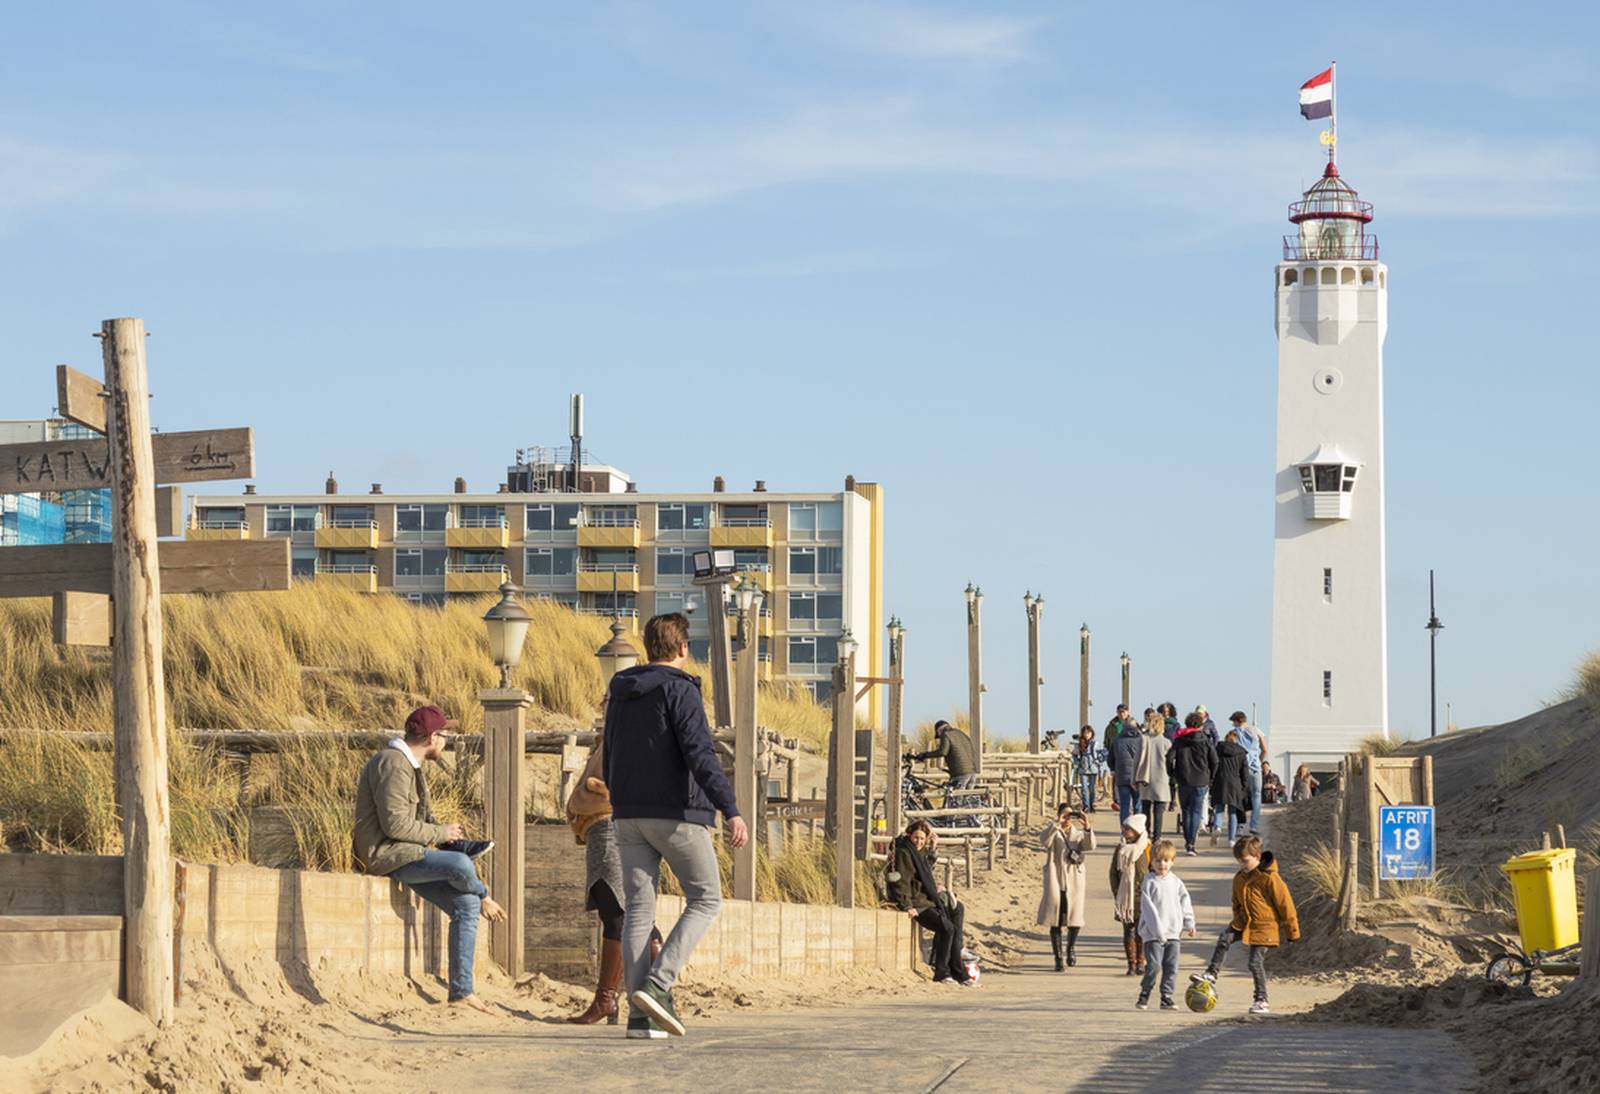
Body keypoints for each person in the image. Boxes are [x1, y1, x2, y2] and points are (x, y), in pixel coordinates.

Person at [604, 613, 750, 1040]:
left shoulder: (621, 689)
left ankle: (639, 1017)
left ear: (650, 647)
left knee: (639, 912)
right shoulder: (680, 689)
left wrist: (621, 798)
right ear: (683, 648)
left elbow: (609, 749)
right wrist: (730, 809)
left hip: (628, 816)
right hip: (677, 814)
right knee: (706, 899)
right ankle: (658, 983)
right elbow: (699, 754)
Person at [353, 704, 506, 1013]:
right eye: (445, 735)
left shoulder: (410, 765)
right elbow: (394, 825)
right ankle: (485, 895)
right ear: (433, 737)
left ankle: (461, 991)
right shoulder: (393, 764)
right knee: (463, 867)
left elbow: (418, 820)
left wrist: (449, 837)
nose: (446, 742)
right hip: (387, 855)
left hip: (405, 853)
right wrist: (441, 833)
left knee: (466, 905)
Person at [562, 720, 664, 1025]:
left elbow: (633, 785)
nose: (605, 703)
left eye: (610, 699)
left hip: (610, 828)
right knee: (627, 913)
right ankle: (652, 996)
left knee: (617, 913)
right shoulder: (613, 737)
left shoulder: (626, 734)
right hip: (607, 830)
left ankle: (609, 1000)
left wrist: (591, 792)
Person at [1192, 835, 1300, 1015]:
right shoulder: (1239, 878)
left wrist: (1292, 932)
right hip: (1244, 923)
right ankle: (1211, 973)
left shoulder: (1270, 878)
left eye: (1245, 861)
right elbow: (1236, 902)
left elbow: (1285, 905)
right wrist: (1237, 920)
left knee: (1254, 963)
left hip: (1265, 927)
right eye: (1239, 862)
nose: (1242, 865)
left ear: (1257, 857)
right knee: (1224, 938)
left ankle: (1261, 1000)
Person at [889, 820, 975, 987]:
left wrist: (933, 848)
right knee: (947, 928)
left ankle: (958, 952)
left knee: (958, 909)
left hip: (926, 897)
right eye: (916, 837)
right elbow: (902, 882)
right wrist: (907, 906)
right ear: (910, 834)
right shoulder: (904, 853)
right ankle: (943, 972)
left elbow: (925, 870)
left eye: (923, 838)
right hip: (917, 902)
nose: (919, 841)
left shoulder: (918, 852)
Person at [1136, 840, 1196, 1010]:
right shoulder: (1149, 882)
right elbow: (1148, 910)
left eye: (1166, 860)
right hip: (1153, 934)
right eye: (1158, 860)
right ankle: (1145, 993)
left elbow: (1185, 903)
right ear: (1151, 862)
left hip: (1173, 933)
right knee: (1154, 965)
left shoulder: (1176, 882)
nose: (1162, 864)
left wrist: (1189, 922)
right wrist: (1158, 933)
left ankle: (1166, 997)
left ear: (1172, 861)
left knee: (1171, 967)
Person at [1037, 802, 1096, 971]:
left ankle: (1070, 948)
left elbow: (1090, 845)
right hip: (1056, 879)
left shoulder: (1077, 834)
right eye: (1065, 814)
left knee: (1074, 919)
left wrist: (1087, 825)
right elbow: (1044, 841)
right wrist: (1057, 823)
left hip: (1074, 879)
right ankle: (1058, 958)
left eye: (1071, 815)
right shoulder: (1054, 832)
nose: (1068, 818)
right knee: (1055, 920)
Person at [1108, 813, 1152, 976]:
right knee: (1129, 931)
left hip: (1143, 897)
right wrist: (1117, 891)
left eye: (1129, 829)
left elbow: (1154, 871)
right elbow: (1113, 873)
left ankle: (1141, 962)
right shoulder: (1120, 849)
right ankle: (1131, 963)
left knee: (1142, 932)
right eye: (1124, 828)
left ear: (1137, 831)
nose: (1125, 831)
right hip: (1125, 898)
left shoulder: (1147, 848)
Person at [1170, 712, 1218, 856]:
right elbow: (1215, 761)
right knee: (1196, 811)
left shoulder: (1179, 740)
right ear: (1201, 725)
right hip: (1201, 780)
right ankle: (1191, 843)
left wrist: (1172, 773)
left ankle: (1188, 842)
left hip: (1183, 779)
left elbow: (1168, 758)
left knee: (1186, 811)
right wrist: (1211, 777)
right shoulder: (1206, 740)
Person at [1229, 711, 1270, 834]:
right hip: (1255, 767)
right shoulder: (1256, 730)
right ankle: (1253, 825)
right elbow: (1265, 749)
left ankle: (1240, 826)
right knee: (1256, 796)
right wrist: (1259, 761)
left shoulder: (1235, 733)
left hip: (1240, 768)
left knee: (1240, 797)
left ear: (1237, 721)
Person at [1135, 709, 1172, 841]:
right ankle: (1157, 836)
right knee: (1158, 810)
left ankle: (1146, 833)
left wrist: (1135, 778)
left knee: (1145, 808)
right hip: (1161, 778)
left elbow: (1137, 760)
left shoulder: (1143, 740)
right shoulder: (1166, 743)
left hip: (1146, 777)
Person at [913, 719, 979, 790]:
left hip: (960, 773)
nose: (939, 737)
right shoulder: (960, 733)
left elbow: (942, 752)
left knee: (957, 798)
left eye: (938, 735)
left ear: (939, 730)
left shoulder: (946, 735)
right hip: (972, 772)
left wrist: (925, 755)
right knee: (968, 797)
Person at [1211, 729, 1251, 842]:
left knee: (1219, 809)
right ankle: (1231, 840)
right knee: (1232, 812)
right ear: (1237, 739)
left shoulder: (1218, 749)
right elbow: (1245, 772)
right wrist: (1245, 786)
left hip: (1220, 781)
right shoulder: (1241, 752)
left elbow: (1213, 765)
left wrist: (1211, 780)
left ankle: (1217, 827)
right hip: (1235, 784)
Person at [1111, 711, 1146, 825]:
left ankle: (1124, 830)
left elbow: (1110, 758)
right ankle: (1138, 829)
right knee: (1137, 804)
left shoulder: (1117, 740)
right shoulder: (1142, 740)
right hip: (1137, 776)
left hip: (1122, 776)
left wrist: (1114, 769)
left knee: (1124, 806)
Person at [1073, 725, 1101, 812]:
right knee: (1084, 788)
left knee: (1092, 788)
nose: (1087, 735)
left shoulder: (1095, 744)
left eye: (1088, 733)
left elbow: (1100, 754)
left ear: (1092, 733)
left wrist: (1099, 763)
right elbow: (1074, 754)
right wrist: (1077, 762)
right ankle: (1086, 806)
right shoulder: (1079, 744)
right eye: (1085, 733)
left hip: (1093, 768)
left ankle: (1091, 804)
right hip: (1083, 768)